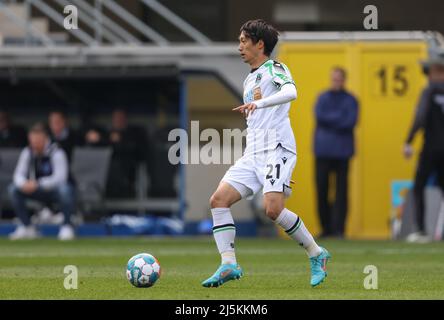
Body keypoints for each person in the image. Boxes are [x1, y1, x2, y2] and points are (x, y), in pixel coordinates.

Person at [202, 19, 331, 288]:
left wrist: (258, 103)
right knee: (218, 200)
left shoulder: (276, 68)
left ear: (259, 44)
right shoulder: (250, 78)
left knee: (272, 209)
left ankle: (316, 253)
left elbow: (292, 92)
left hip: (277, 148)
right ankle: (228, 264)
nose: (239, 46)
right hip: (254, 153)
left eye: (243, 41)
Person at [8, 123, 76, 240]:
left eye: (37, 140)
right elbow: (18, 174)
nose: (34, 143)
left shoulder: (56, 151)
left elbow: (60, 178)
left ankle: (67, 226)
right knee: (13, 189)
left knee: (65, 189)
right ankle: (27, 227)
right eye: (32, 140)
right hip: (35, 190)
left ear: (45, 139)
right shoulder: (27, 151)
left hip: (54, 190)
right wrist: (24, 184)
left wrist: (38, 183)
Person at [313, 67, 359, 238]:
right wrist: (339, 118)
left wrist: (331, 121)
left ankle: (339, 229)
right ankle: (326, 228)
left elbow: (351, 121)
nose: (336, 82)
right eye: (334, 78)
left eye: (339, 79)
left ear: (344, 80)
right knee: (322, 190)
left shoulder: (351, 99)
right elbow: (320, 116)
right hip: (323, 151)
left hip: (342, 152)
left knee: (341, 192)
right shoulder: (322, 98)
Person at [403, 55, 444, 243]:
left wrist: (409, 141)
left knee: (419, 186)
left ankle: (420, 230)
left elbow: (420, 118)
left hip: (431, 149)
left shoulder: (428, 92)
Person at [106, 108, 148, 198]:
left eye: (120, 118)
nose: (118, 121)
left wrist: (121, 141)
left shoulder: (134, 133)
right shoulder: (107, 135)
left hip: (129, 171)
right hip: (109, 175)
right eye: (116, 118)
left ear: (125, 119)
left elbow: (139, 152)